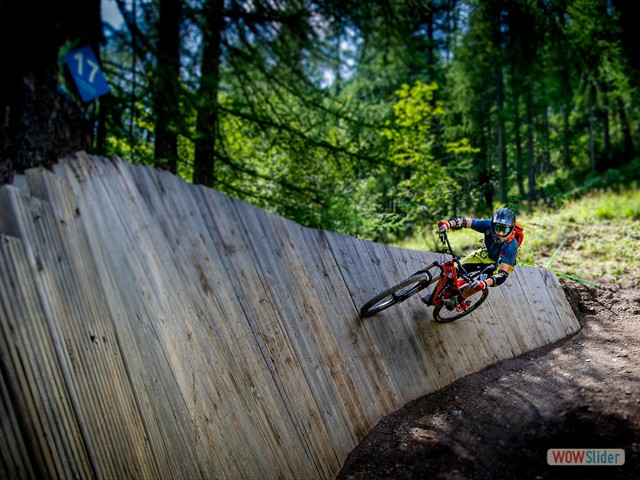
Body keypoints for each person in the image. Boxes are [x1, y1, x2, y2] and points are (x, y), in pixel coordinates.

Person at [430, 207, 521, 310]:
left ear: (511, 229)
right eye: (498, 228)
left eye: (504, 229)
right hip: (486, 254)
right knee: (454, 269)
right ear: (493, 225)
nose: (500, 233)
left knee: (477, 284)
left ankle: (458, 300)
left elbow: (502, 275)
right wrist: (448, 224)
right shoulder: (488, 225)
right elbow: (463, 222)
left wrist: (484, 283)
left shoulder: (512, 246)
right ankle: (436, 295)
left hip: (499, 263)